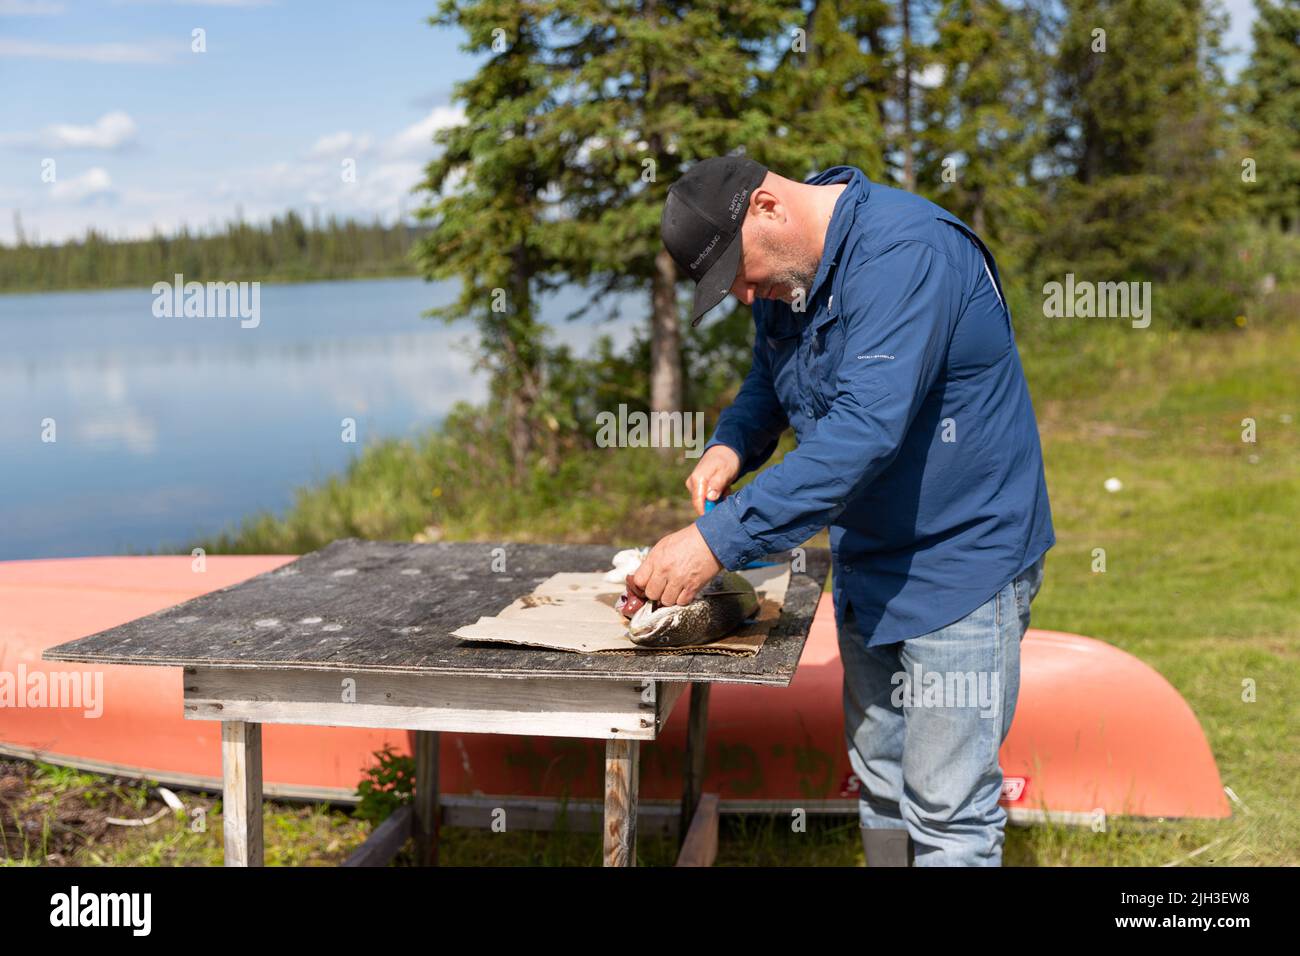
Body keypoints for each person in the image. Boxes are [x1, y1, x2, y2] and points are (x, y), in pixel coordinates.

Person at [628, 154, 1055, 866]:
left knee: (948, 808)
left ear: (767, 206)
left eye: (736, 272)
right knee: (883, 783)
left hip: (962, 563)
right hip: (869, 562)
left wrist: (715, 542)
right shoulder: (789, 277)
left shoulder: (906, 253)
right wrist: (733, 445)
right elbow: (770, 379)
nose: (740, 295)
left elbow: (863, 433)